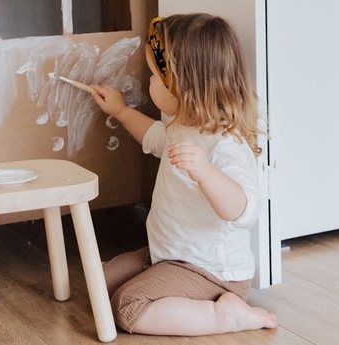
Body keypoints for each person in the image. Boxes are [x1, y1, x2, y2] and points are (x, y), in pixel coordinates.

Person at [91, 13, 278, 336]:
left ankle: (227, 316)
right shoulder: (185, 127)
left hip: (212, 272)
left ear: (184, 85)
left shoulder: (225, 143)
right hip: (170, 253)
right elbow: (153, 137)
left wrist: (205, 173)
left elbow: (245, 210)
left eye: (154, 76)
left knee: (127, 306)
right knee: (98, 280)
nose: (149, 82)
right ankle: (179, 295)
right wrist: (121, 111)